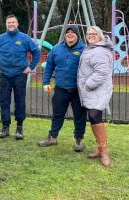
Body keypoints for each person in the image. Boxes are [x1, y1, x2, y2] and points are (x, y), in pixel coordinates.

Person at [0, 14, 41, 140]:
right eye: (9, 22)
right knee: (4, 101)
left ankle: (19, 127)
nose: (11, 24)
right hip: (5, 75)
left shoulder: (24, 38)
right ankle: (5, 127)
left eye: (13, 22)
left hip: (20, 75)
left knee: (20, 101)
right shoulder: (0, 39)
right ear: (6, 24)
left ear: (17, 24)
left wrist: (31, 67)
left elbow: (36, 51)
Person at [38, 24, 87, 152]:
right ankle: (52, 138)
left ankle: (79, 140)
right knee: (57, 114)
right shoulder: (56, 49)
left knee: (79, 116)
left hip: (78, 90)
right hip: (60, 89)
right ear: (64, 35)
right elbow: (49, 66)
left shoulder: (84, 49)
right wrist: (46, 82)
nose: (69, 34)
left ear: (77, 35)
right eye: (67, 32)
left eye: (72, 32)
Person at [78, 26, 113, 166]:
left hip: (97, 89)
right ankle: (100, 149)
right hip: (92, 90)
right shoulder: (91, 48)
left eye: (94, 34)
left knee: (94, 115)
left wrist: (87, 85)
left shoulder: (99, 51)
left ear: (100, 36)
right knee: (93, 116)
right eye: (89, 34)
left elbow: (102, 73)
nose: (91, 35)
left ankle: (104, 151)